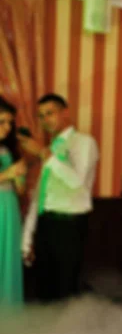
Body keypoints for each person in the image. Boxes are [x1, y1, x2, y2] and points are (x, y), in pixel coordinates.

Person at [18, 94, 99, 302]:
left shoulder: (84, 142)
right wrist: (27, 238)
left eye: (50, 113)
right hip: (45, 225)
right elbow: (40, 195)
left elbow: (77, 183)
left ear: (65, 113)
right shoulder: (52, 149)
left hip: (69, 226)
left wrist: (44, 154)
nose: (46, 120)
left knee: (66, 292)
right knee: (44, 290)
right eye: (41, 116)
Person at [0, 98, 26, 306]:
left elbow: (20, 189)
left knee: (8, 259)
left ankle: (8, 314)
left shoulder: (8, 150)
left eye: (10, 122)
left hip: (9, 208)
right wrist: (8, 173)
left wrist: (19, 177)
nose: (7, 128)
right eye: (2, 122)